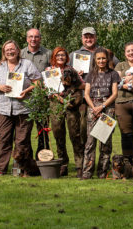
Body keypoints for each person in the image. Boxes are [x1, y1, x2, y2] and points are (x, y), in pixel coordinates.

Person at [0, 40, 41, 176]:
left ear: (18, 50)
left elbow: (39, 82)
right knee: (4, 139)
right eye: (7, 50)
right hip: (4, 109)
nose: (10, 52)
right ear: (4, 53)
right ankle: (0, 169)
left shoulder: (27, 64)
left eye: (12, 49)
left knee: (22, 140)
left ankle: (23, 169)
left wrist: (27, 91)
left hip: (24, 109)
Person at [69, 27, 119, 159]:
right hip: (82, 97)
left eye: (91, 36)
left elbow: (116, 68)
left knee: (103, 134)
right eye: (86, 37)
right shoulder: (74, 55)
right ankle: (83, 165)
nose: (88, 39)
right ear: (82, 38)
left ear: (95, 37)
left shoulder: (103, 52)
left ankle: (103, 166)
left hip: (104, 100)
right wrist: (75, 75)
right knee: (82, 132)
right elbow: (66, 74)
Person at [46, 47, 85, 178]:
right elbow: (50, 91)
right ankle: (63, 164)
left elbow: (82, 85)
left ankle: (80, 165)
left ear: (66, 57)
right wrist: (62, 100)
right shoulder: (49, 71)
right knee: (58, 134)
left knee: (75, 134)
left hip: (72, 104)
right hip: (56, 104)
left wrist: (73, 91)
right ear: (54, 57)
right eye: (58, 55)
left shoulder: (72, 70)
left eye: (63, 55)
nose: (60, 57)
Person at [82, 47, 120, 179]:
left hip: (108, 108)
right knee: (90, 142)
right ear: (95, 60)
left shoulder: (113, 74)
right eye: (99, 58)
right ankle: (87, 172)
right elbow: (86, 94)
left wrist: (103, 106)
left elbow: (114, 93)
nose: (101, 60)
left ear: (107, 59)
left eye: (103, 58)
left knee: (105, 142)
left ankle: (103, 172)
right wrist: (94, 107)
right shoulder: (90, 75)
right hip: (92, 108)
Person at [20, 28, 52, 158]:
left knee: (42, 129)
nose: (33, 39)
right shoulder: (20, 53)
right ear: (27, 38)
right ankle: (26, 159)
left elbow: (54, 73)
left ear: (40, 38)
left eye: (36, 37)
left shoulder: (48, 54)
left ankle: (43, 157)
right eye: (31, 37)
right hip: (24, 97)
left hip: (42, 97)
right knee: (24, 131)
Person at [114, 42, 133, 164]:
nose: (131, 53)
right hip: (122, 103)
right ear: (125, 54)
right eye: (128, 51)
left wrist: (127, 80)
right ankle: (128, 163)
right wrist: (130, 80)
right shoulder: (120, 65)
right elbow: (116, 80)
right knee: (126, 135)